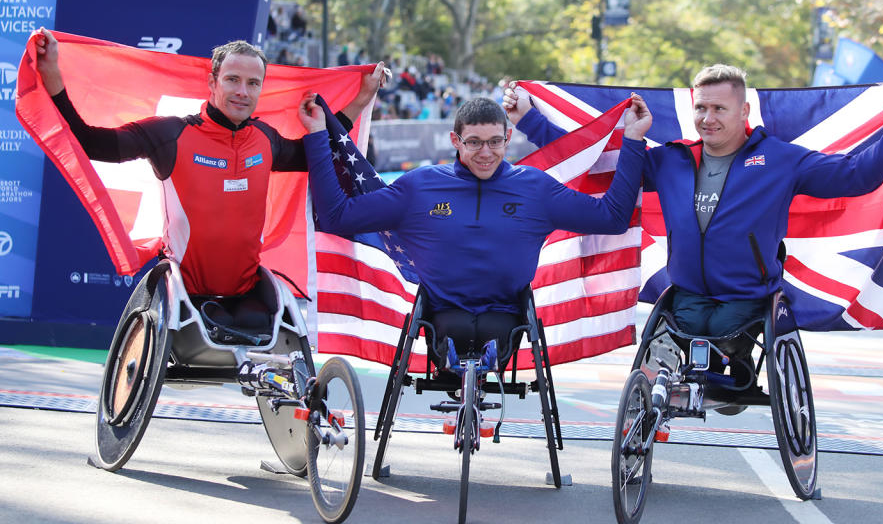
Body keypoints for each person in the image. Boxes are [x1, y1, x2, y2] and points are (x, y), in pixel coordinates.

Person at [503, 64, 883, 337]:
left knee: (719, 334)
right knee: (681, 335)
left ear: (743, 113)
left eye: (719, 109)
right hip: (686, 296)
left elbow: (858, 175)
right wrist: (529, 120)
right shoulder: (673, 160)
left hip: (749, 300)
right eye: (701, 108)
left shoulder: (782, 161)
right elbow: (595, 162)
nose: (707, 118)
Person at [32, 27, 384, 329]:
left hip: (246, 293)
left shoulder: (265, 138)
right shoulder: (170, 134)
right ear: (212, 81)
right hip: (183, 291)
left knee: (280, 328)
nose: (242, 92)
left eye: (252, 83)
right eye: (232, 79)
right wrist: (53, 81)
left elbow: (320, 154)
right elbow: (94, 143)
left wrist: (362, 98)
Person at [301, 96, 648, 366]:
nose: (486, 153)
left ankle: (478, 367)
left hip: (506, 315)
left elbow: (612, 218)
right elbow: (337, 217)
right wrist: (318, 135)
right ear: (455, 140)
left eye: (495, 142)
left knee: (487, 333)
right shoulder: (420, 187)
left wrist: (633, 139)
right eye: (474, 142)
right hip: (441, 315)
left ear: (508, 138)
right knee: (458, 332)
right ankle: (457, 367)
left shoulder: (535, 188)